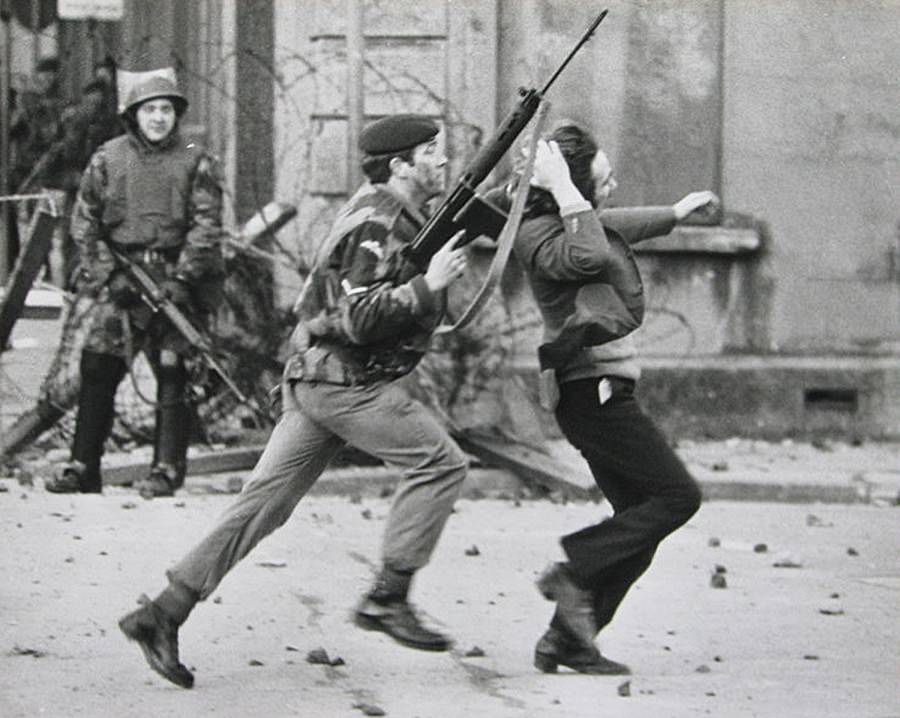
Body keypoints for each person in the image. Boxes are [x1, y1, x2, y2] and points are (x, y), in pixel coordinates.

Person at [117, 113, 471, 688]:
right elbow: (359, 316)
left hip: (315, 377)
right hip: (342, 382)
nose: (444, 161)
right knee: (440, 462)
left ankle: (162, 613)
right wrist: (427, 286)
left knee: (264, 504)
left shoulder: (386, 211)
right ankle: (389, 596)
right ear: (401, 166)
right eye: (432, 153)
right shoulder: (378, 224)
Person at [505, 122, 716, 675]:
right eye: (603, 180)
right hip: (589, 393)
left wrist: (675, 212)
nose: (613, 186)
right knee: (677, 498)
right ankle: (574, 571)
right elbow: (587, 254)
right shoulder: (543, 237)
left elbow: (615, 226)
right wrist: (569, 192)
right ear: (565, 189)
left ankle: (568, 640)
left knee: (638, 520)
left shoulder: (571, 220)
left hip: (600, 392)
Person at [43, 69, 224, 498]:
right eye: (150, 109)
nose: (159, 118)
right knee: (97, 365)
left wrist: (183, 278)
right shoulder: (108, 158)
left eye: (166, 109)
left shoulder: (196, 158)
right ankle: (83, 466)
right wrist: (109, 275)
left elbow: (207, 224)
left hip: (173, 282)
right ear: (134, 115)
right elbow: (84, 222)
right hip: (123, 280)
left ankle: (165, 470)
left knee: (172, 369)